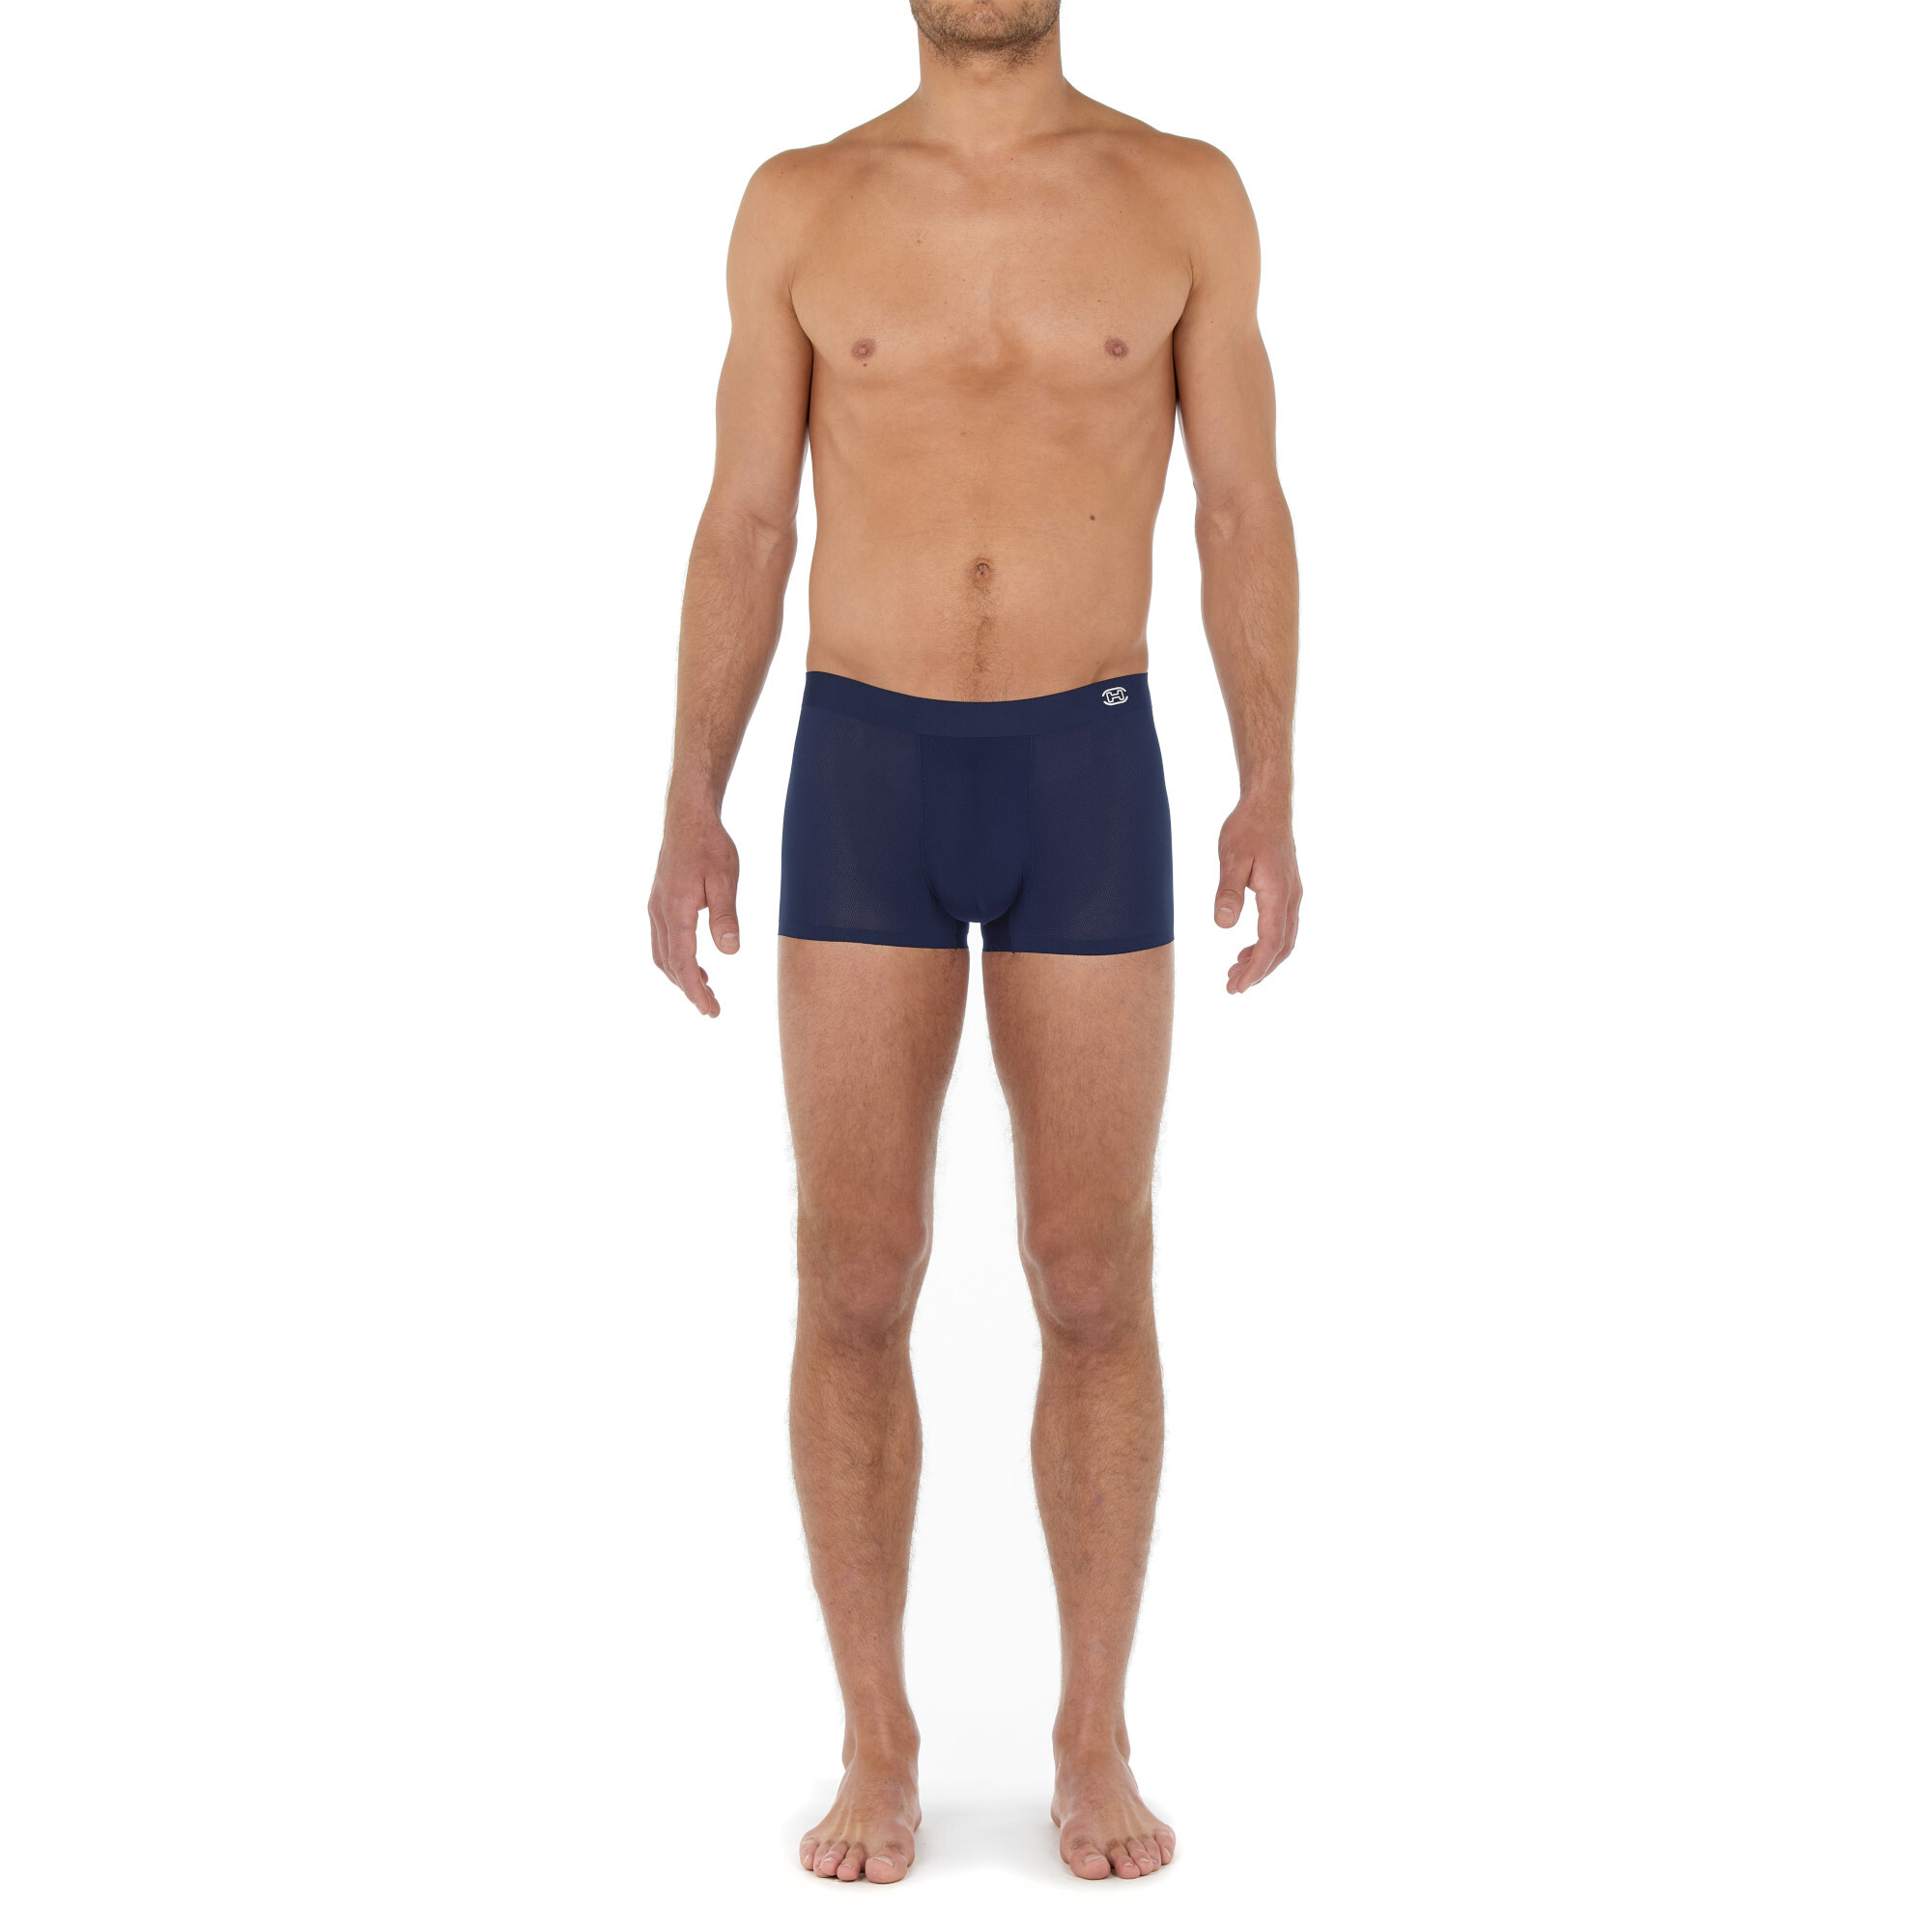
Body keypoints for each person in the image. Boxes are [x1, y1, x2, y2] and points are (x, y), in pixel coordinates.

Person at [647, 0, 1300, 1885]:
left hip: (1089, 763)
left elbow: (1241, 508)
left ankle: (1092, 1730)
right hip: (865, 761)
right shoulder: (802, 201)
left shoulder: (1182, 193)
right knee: (854, 1274)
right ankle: (878, 1740)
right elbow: (746, 521)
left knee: (1091, 1275)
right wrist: (692, 790)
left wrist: (1268, 780)